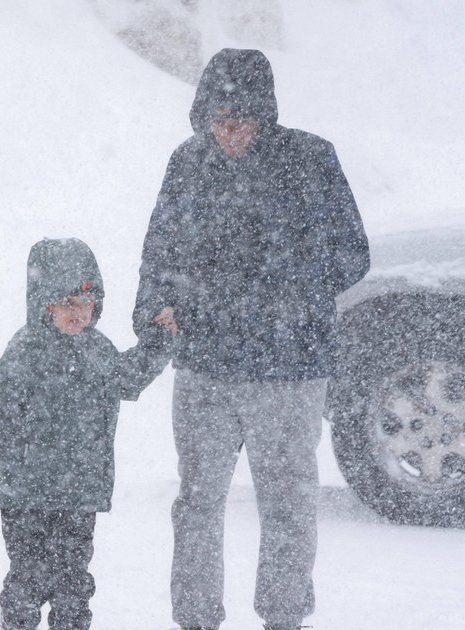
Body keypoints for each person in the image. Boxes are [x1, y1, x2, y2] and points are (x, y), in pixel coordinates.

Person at [132, 49, 369, 630]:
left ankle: (284, 617)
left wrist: (285, 290)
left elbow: (352, 255)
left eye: (240, 118)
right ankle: (194, 619)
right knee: (196, 505)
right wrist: (152, 308)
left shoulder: (311, 160)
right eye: (216, 118)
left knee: (287, 503)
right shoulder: (187, 164)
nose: (227, 130)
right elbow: (158, 250)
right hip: (204, 367)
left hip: (288, 369)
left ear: (264, 114)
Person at [0, 238, 176, 630]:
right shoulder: (26, 350)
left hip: (79, 489)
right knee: (27, 573)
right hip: (24, 488)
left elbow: (129, 378)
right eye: (67, 304)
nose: (78, 314)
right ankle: (18, 621)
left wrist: (160, 342)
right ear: (45, 305)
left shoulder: (97, 351)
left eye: (86, 304)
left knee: (73, 578)